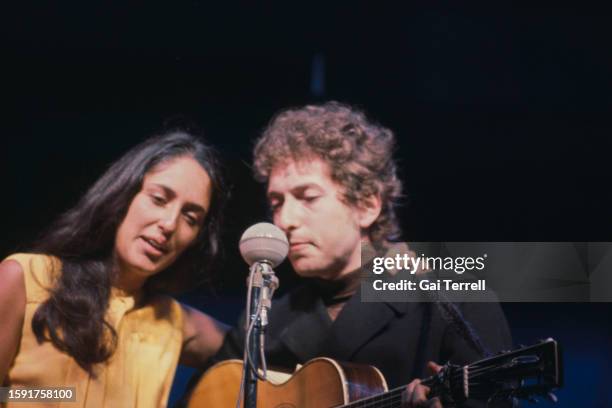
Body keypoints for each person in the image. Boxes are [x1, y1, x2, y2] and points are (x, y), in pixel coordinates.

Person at [200, 102, 512, 407]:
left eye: (307, 197)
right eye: (277, 203)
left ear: (367, 205)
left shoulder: (455, 304)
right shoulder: (266, 320)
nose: (284, 221)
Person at [0, 130, 229, 407]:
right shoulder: (26, 278)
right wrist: (56, 394)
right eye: (158, 199)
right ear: (123, 193)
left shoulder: (173, 320)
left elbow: (260, 347)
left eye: (190, 217)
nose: (169, 224)